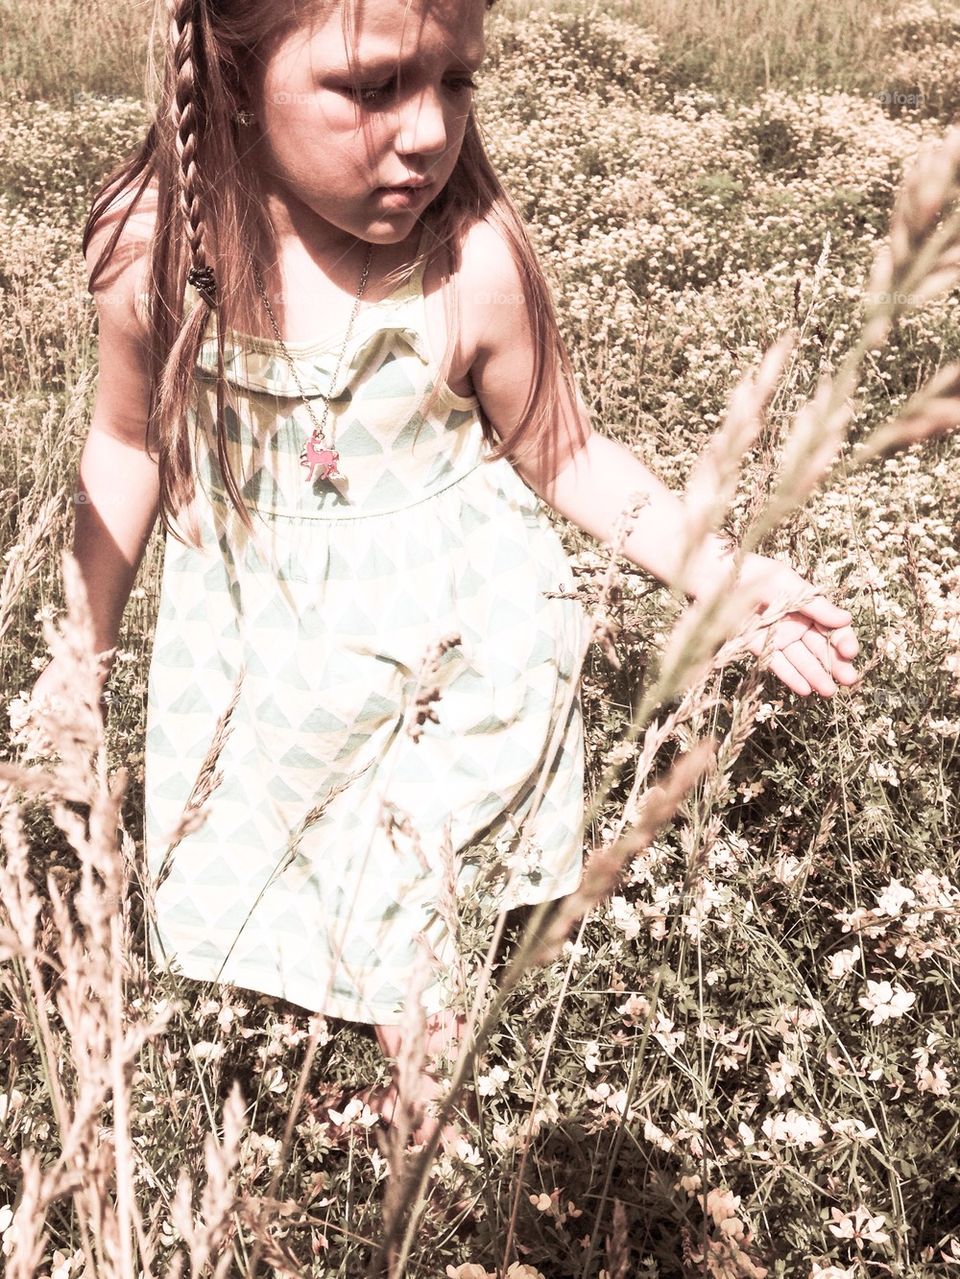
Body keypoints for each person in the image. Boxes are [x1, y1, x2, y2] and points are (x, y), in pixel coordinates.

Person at [35, 0, 860, 1153]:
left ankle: (424, 1138)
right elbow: (125, 447)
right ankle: (313, 1088)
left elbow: (567, 451)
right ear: (230, 77)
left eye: (456, 81)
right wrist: (84, 654)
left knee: (407, 911)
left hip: (448, 655)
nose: (427, 132)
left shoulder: (467, 266)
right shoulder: (158, 246)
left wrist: (721, 575)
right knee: (283, 879)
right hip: (261, 654)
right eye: (373, 88)